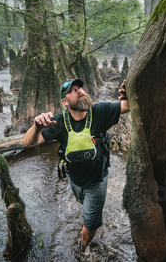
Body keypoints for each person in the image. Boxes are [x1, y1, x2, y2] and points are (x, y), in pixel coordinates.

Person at [24, 78, 130, 247]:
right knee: (82, 202)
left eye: (79, 87)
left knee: (91, 223)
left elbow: (127, 106)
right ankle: (86, 212)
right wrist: (37, 127)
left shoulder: (100, 111)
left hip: (97, 180)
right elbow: (29, 142)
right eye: (73, 90)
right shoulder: (58, 122)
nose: (79, 90)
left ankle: (85, 245)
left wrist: (128, 93)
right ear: (64, 101)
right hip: (74, 179)